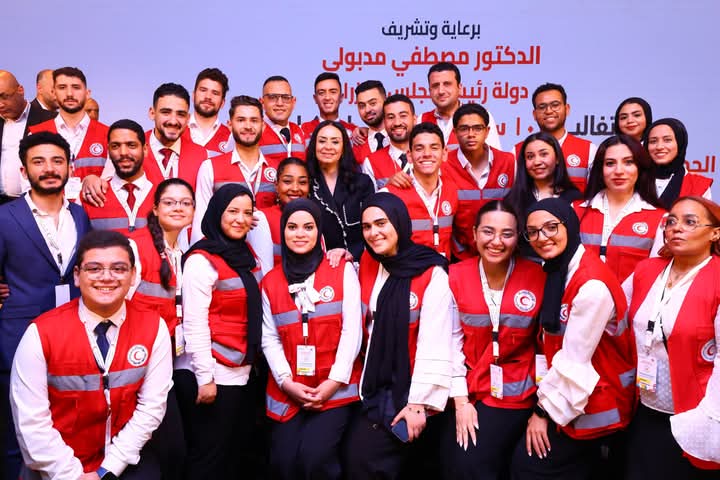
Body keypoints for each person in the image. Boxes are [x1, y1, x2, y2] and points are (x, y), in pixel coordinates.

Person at [10, 229, 173, 479]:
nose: (106, 277)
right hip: (56, 466)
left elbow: (151, 408)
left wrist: (108, 469)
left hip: (123, 460)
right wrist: (73, 474)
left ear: (133, 276)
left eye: (118, 269)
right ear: (77, 276)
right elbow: (31, 423)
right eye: (94, 269)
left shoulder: (153, 327)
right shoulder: (40, 333)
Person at [510, 198, 636, 480]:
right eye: (533, 232)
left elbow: (574, 362)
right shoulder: (560, 268)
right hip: (571, 393)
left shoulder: (591, 285)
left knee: (528, 467)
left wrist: (541, 414)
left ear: (569, 225)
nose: (542, 238)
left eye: (551, 227)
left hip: (596, 401)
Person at [0, 131, 92, 479]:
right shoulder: (5, 217)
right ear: (24, 171)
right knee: (17, 432)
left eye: (57, 161)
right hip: (18, 335)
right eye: (39, 162)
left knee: (66, 426)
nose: (49, 169)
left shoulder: (80, 216)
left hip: (72, 336)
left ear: (69, 168)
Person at [343, 192, 453, 479]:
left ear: (400, 223)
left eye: (381, 223)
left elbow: (436, 342)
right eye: (366, 227)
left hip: (410, 390)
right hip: (372, 384)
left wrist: (417, 404)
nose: (373, 233)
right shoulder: (369, 262)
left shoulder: (431, 273)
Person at [261, 199, 362, 479]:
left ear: (319, 231)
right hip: (290, 388)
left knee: (314, 460)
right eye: (292, 227)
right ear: (283, 231)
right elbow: (269, 338)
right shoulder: (270, 281)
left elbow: (352, 331)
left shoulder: (341, 270)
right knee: (283, 462)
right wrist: (286, 382)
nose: (300, 234)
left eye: (308, 227)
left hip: (335, 387)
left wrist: (333, 382)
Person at [446, 200, 545, 479]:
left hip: (520, 393)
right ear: (474, 233)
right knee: (457, 462)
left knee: (474, 463)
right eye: (488, 232)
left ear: (518, 237)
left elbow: (546, 347)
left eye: (507, 234)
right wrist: (461, 402)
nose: (496, 242)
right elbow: (451, 343)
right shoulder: (454, 276)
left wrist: (543, 410)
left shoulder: (538, 276)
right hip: (470, 389)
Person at [623, 196, 720, 477]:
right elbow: (611, 308)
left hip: (695, 413)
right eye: (671, 221)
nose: (676, 228)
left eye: (690, 222)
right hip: (645, 405)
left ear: (715, 233)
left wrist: (709, 419)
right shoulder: (647, 270)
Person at [175, 184, 264, 478]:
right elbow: (195, 323)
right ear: (217, 213)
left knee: (234, 456)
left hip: (243, 371)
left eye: (247, 213)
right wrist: (205, 378)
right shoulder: (201, 260)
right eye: (232, 211)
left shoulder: (245, 253)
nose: (240, 219)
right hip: (215, 373)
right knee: (209, 458)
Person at [126, 177, 195, 480]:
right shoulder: (136, 246)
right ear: (154, 208)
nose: (178, 208)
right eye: (169, 202)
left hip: (167, 361)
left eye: (185, 203)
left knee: (173, 449)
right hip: (135, 363)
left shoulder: (182, 250)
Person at [81, 83, 208, 208]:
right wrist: (91, 179)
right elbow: (106, 186)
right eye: (166, 112)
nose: (173, 121)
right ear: (152, 113)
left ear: (188, 118)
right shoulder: (129, 148)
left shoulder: (202, 155)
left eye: (180, 114)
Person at [574, 134, 665, 281]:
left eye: (628, 162)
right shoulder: (575, 210)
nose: (618, 171)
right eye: (610, 163)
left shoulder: (660, 219)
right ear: (600, 169)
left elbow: (655, 278)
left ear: (640, 168)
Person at [192, 94, 278, 243]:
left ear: (263, 126)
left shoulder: (278, 169)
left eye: (254, 120)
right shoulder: (210, 167)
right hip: (224, 253)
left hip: (270, 254)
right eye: (241, 120)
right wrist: (200, 253)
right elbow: (201, 221)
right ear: (230, 125)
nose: (248, 126)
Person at [442, 103, 515, 260]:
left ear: (487, 131)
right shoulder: (444, 165)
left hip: (501, 253)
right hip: (460, 256)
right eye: (464, 129)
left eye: (477, 128)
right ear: (455, 132)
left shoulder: (508, 161)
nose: (471, 134)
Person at [28, 67, 109, 199]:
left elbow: (114, 182)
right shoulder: (35, 134)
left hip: (96, 208)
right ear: (54, 93)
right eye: (62, 87)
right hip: (50, 210)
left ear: (87, 93)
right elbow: (27, 183)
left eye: (76, 87)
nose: (70, 94)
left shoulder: (108, 135)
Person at [385, 122, 458, 258]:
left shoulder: (453, 189)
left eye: (434, 148)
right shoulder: (390, 194)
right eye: (419, 148)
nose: (427, 154)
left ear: (444, 153)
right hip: (407, 269)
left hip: (444, 269)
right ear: (409, 155)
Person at [306, 120, 374, 263]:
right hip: (319, 263)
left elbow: (371, 227)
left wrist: (352, 256)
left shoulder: (362, 182)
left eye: (335, 142)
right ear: (314, 146)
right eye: (322, 141)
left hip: (359, 262)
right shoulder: (305, 184)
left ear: (343, 148)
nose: (328, 147)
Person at [514, 83, 597, 194]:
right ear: (534, 114)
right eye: (542, 107)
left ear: (567, 109)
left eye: (555, 105)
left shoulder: (589, 150)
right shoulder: (517, 151)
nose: (549, 111)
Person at [82, 119, 155, 235]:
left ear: (145, 149)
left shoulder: (163, 194)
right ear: (108, 151)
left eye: (131, 145)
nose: (123, 152)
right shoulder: (92, 195)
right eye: (115, 146)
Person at [505, 132, 580, 241]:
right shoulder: (513, 200)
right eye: (530, 156)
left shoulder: (575, 198)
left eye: (544, 154)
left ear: (557, 158)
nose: (537, 162)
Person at [0, 70, 56, 203]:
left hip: (36, 203)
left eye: (4, 96)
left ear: (20, 90)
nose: (0, 104)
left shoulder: (50, 120)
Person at [420, 62, 502, 150]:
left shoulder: (480, 116)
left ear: (460, 88)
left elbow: (494, 156)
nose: (441, 91)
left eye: (447, 84)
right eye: (435, 86)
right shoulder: (421, 120)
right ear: (429, 91)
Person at [646, 118, 713, 209]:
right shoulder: (635, 180)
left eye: (667, 140)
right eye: (653, 141)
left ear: (680, 143)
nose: (659, 147)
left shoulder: (697, 185)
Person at [260, 157, 310, 266]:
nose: (295, 188)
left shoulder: (314, 218)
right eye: (287, 181)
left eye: (302, 182)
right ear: (276, 185)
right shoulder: (261, 218)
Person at [361, 93, 415, 190]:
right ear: (384, 122)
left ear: (414, 119)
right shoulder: (371, 162)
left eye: (403, 116)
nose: (397, 123)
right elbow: (368, 199)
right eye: (390, 117)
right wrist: (387, 187)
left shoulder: (429, 155)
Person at [259, 75, 306, 163]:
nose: (280, 103)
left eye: (285, 97)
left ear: (293, 102)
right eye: (272, 97)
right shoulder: (253, 131)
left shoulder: (298, 131)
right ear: (262, 102)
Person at [185, 67, 232, 157]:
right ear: (193, 95)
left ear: (223, 102)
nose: (208, 97)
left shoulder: (230, 139)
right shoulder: (176, 129)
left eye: (215, 93)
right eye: (203, 90)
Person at [301, 72, 357, 141]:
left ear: (341, 97)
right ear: (315, 99)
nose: (327, 97)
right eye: (321, 93)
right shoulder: (303, 131)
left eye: (333, 92)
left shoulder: (355, 132)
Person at [351, 80, 388, 164]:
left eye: (373, 103)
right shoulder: (355, 144)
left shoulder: (404, 137)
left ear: (386, 101)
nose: (367, 110)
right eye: (362, 106)